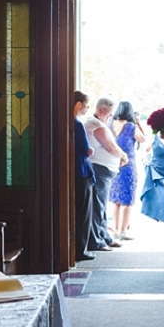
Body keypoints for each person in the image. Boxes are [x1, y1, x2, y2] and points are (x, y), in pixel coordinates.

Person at [84, 96, 128, 252]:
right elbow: (110, 146)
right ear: (102, 109)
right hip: (99, 169)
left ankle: (105, 237)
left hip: (105, 170)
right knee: (98, 206)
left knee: (102, 205)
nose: (111, 116)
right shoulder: (94, 123)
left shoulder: (99, 123)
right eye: (110, 112)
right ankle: (97, 241)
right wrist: (123, 156)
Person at [108, 101, 148, 240]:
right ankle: (124, 230)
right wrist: (138, 122)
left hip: (113, 164)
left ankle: (116, 230)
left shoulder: (110, 124)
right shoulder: (130, 127)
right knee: (127, 199)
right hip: (128, 165)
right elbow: (143, 139)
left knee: (115, 199)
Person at [73, 91, 96, 261]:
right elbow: (85, 149)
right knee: (83, 213)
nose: (86, 109)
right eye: (86, 106)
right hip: (81, 172)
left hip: (73, 173)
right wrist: (89, 150)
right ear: (79, 104)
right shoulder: (77, 124)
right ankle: (81, 249)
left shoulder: (64, 123)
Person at [140, 129, 164, 223]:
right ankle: (159, 214)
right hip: (157, 168)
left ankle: (163, 214)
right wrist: (145, 158)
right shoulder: (154, 136)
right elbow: (146, 149)